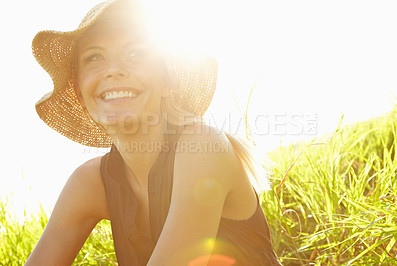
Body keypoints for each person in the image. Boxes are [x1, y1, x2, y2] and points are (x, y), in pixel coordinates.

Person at [26, 0, 281, 265]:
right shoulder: (89, 182)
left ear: (166, 81)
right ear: (79, 91)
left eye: (135, 53)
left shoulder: (202, 147)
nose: (113, 70)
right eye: (94, 57)